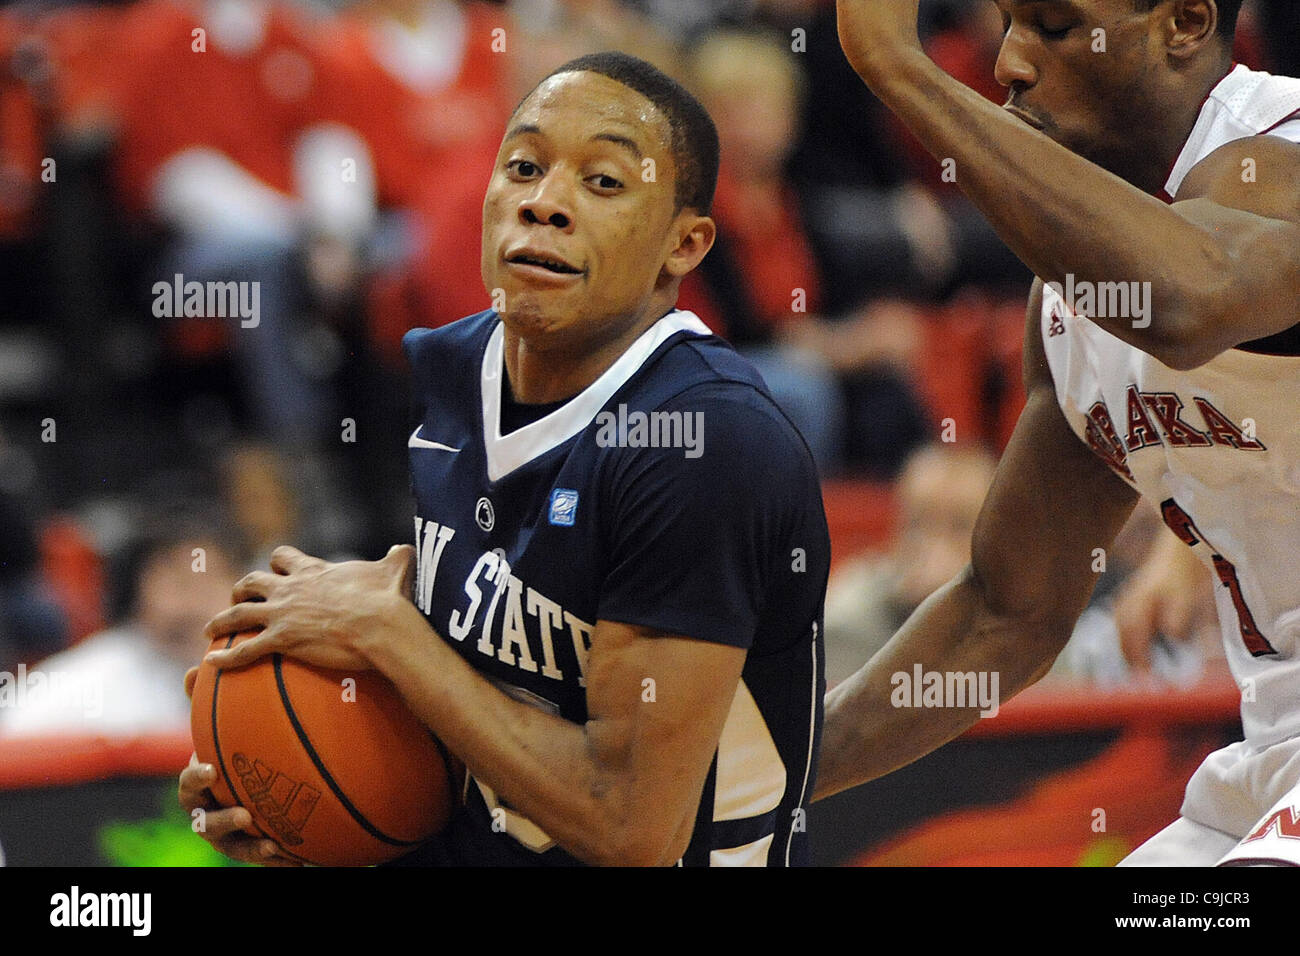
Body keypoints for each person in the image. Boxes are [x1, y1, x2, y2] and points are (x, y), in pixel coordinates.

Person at [180, 51, 830, 867]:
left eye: (603, 182)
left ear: (684, 244)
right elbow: (489, 731)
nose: (545, 202)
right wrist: (312, 802)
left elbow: (629, 827)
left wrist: (390, 636)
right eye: (523, 165)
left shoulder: (706, 442)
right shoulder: (451, 371)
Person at [818, 0, 1300, 867]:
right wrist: (757, 781)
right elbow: (1007, 615)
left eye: (1054, 24)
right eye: (1007, 23)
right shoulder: (1076, 305)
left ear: (1185, 23)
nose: (1009, 63)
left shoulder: (1285, 153)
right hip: (1270, 758)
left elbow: (1191, 298)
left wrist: (898, 67)